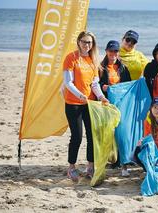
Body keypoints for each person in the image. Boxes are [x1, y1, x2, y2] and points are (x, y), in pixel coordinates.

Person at [63, 31, 108, 181]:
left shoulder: (92, 60)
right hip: (73, 103)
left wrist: (101, 96)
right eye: (84, 41)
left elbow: (94, 84)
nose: (86, 45)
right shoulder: (71, 58)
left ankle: (90, 166)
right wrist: (79, 95)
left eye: (89, 42)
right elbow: (68, 83)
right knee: (76, 136)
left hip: (90, 104)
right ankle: (71, 167)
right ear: (78, 42)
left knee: (91, 135)